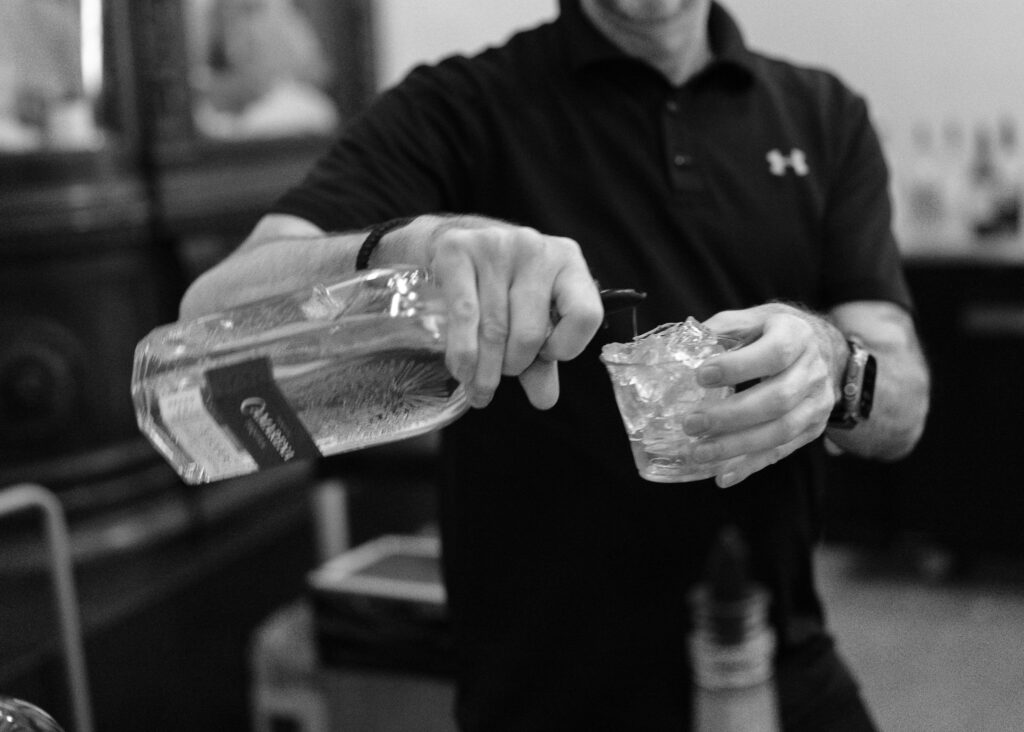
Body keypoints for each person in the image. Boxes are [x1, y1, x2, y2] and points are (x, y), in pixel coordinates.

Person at [181, 1, 930, 729]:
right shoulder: (459, 106)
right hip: (543, 691)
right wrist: (405, 250)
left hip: (777, 659)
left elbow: (902, 410)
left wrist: (835, 365)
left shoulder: (824, 114)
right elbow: (209, 315)